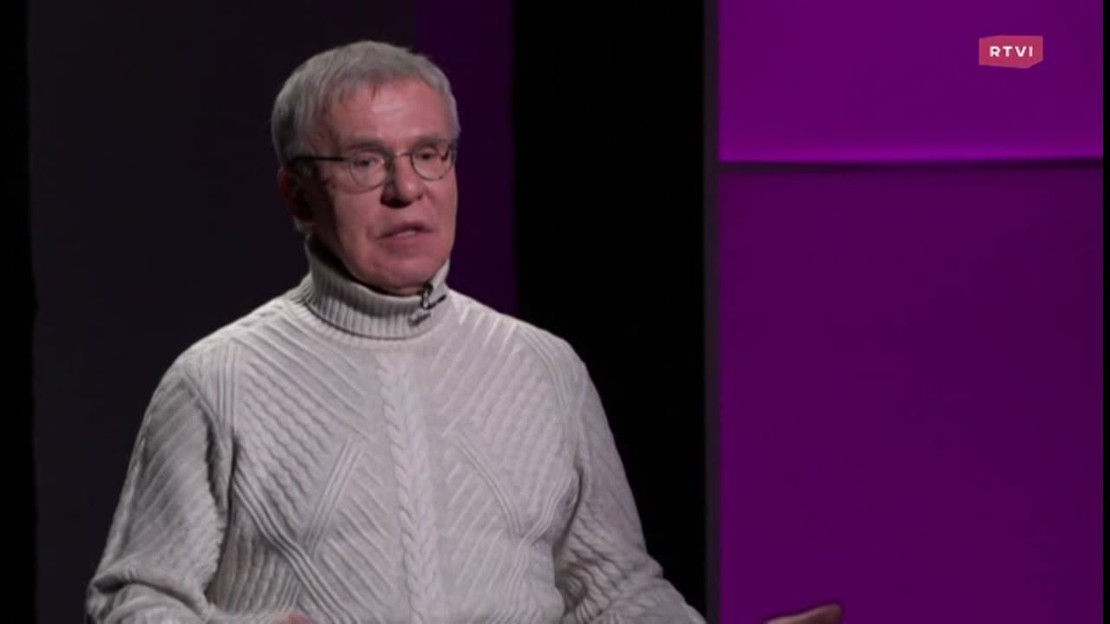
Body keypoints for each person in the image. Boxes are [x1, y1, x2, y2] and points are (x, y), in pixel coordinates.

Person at [86, 39, 706, 623]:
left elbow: (616, 591)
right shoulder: (217, 380)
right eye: (364, 161)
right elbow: (134, 600)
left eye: (429, 154)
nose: (406, 190)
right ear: (298, 195)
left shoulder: (545, 368)